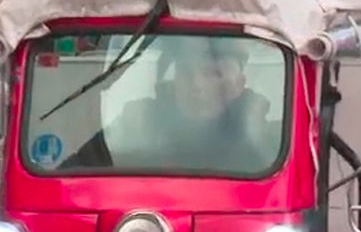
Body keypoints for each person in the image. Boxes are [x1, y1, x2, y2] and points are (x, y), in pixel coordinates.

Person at [57, 36, 273, 173]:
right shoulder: (138, 120)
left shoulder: (270, 142)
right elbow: (79, 170)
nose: (197, 85)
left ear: (240, 83)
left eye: (214, 74)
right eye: (186, 72)